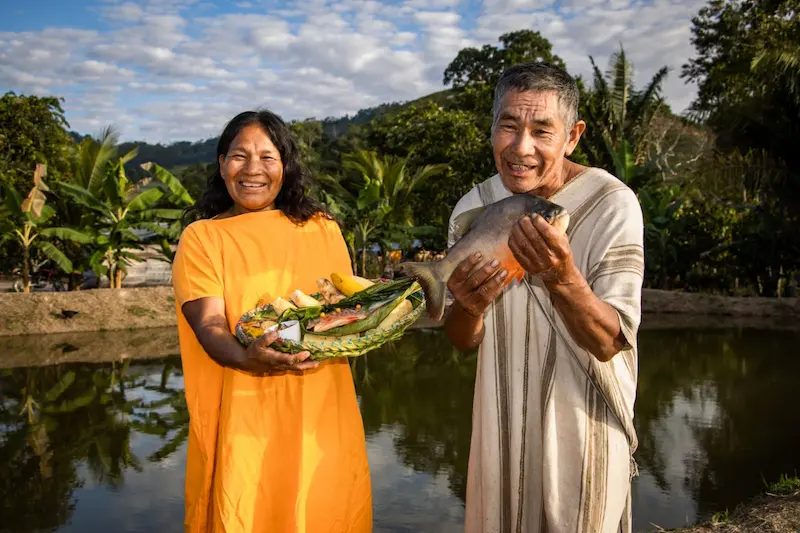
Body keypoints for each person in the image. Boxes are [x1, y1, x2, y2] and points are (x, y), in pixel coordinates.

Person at [443, 62, 644, 533]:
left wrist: (562, 277)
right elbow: (460, 338)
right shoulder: (474, 209)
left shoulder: (612, 204)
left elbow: (611, 341)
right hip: (499, 426)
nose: (521, 149)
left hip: (584, 427)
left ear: (572, 136)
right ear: (491, 128)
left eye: (541, 131)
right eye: (508, 127)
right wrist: (471, 305)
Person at [171, 110, 372, 532]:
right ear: (222, 163)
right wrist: (249, 358)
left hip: (322, 416)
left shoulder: (322, 228)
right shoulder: (203, 238)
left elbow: (343, 312)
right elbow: (208, 326)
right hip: (245, 421)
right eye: (240, 156)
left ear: (285, 165)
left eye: (267, 156)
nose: (253, 169)